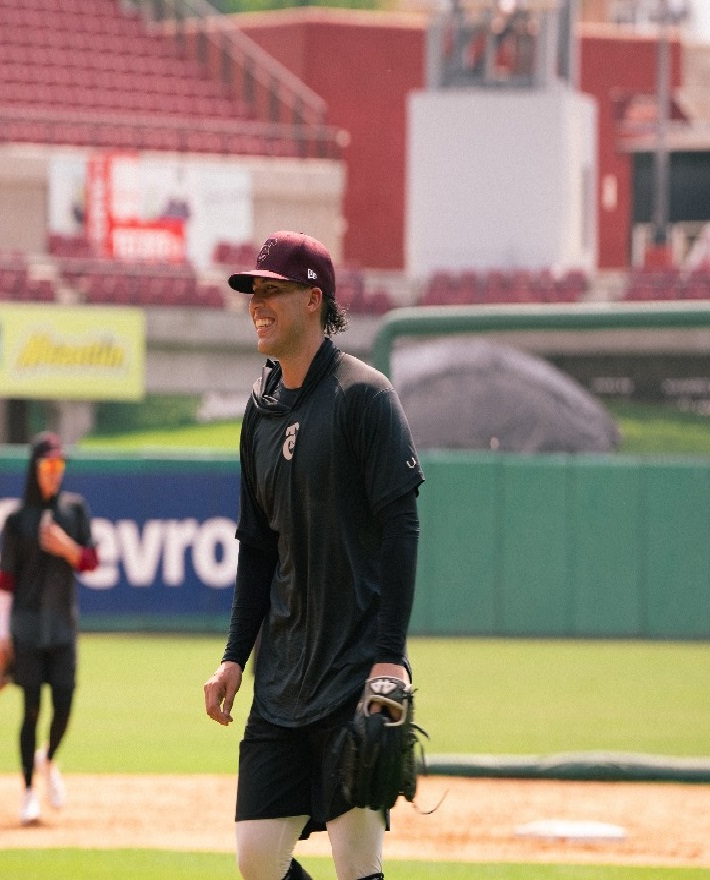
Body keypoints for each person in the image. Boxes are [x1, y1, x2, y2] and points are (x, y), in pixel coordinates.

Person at [203, 231, 424, 880]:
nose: (258, 304)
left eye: (273, 291)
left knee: (357, 865)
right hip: (280, 681)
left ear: (313, 301)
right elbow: (256, 549)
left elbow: (402, 530)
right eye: (253, 293)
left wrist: (390, 658)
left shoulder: (365, 397)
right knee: (255, 861)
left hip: (352, 672)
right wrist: (233, 659)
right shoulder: (259, 408)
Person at [0, 431, 100, 825]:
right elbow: (4, 581)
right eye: (47, 466)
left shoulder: (74, 510)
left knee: (66, 700)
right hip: (25, 628)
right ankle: (26, 792)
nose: (55, 474)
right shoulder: (16, 520)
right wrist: (2, 636)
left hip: (62, 627)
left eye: (59, 466)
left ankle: (48, 759)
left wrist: (66, 547)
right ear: (34, 469)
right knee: (31, 708)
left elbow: (92, 562)